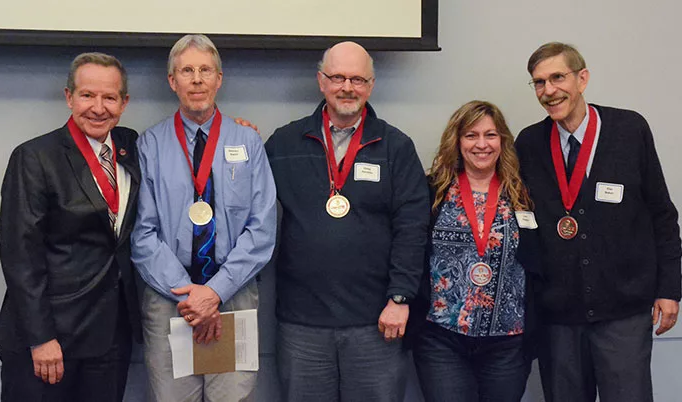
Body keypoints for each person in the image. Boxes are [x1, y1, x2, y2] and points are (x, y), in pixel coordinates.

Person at [515, 42, 682, 402]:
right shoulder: (528, 143)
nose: (549, 91)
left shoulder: (629, 129)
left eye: (557, 77)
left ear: (582, 78)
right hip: (559, 316)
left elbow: (662, 214)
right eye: (539, 82)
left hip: (623, 309)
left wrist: (669, 288)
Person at [265, 41, 430, 402]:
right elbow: (245, 201)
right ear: (321, 81)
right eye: (338, 77)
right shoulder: (284, 143)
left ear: (370, 86)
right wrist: (244, 139)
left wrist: (400, 297)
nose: (347, 88)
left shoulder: (395, 147)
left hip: (376, 323)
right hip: (301, 324)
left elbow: (413, 227)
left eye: (357, 79)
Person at [130, 34, 277, 402]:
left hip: (234, 294)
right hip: (171, 299)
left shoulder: (248, 141)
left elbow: (262, 229)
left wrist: (214, 292)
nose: (196, 79)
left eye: (205, 70)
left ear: (219, 79)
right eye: (187, 70)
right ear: (172, 81)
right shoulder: (150, 145)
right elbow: (142, 233)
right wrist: (191, 296)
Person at [0, 52, 142, 402]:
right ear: (69, 97)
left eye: (109, 97)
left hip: (108, 336)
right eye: (88, 95)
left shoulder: (130, 146)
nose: (98, 107)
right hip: (49, 339)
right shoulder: (34, 157)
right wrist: (40, 338)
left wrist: (236, 130)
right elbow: (20, 254)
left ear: (124, 103)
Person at [410, 101, 536, 402]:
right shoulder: (431, 191)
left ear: (502, 141)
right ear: (457, 140)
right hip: (442, 339)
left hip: (508, 341)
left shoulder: (524, 194)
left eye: (490, 135)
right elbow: (410, 249)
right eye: (471, 135)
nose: (481, 144)